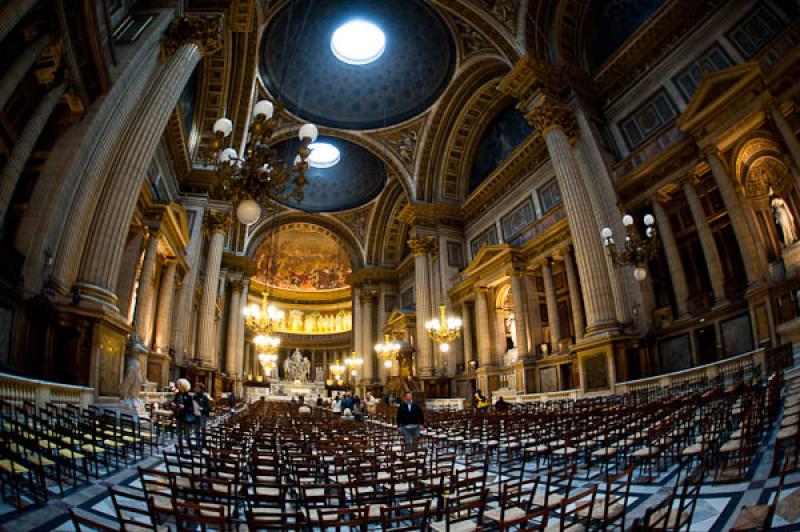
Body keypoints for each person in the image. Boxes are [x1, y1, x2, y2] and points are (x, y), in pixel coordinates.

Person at [171, 379, 195, 447]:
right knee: (178, 431)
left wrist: (184, 407)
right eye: (178, 384)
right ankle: (180, 444)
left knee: (186, 431)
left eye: (179, 384)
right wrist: (173, 404)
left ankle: (189, 445)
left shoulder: (189, 396)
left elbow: (191, 408)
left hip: (185, 416)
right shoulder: (177, 394)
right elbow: (174, 402)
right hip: (178, 415)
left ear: (183, 386)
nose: (177, 386)